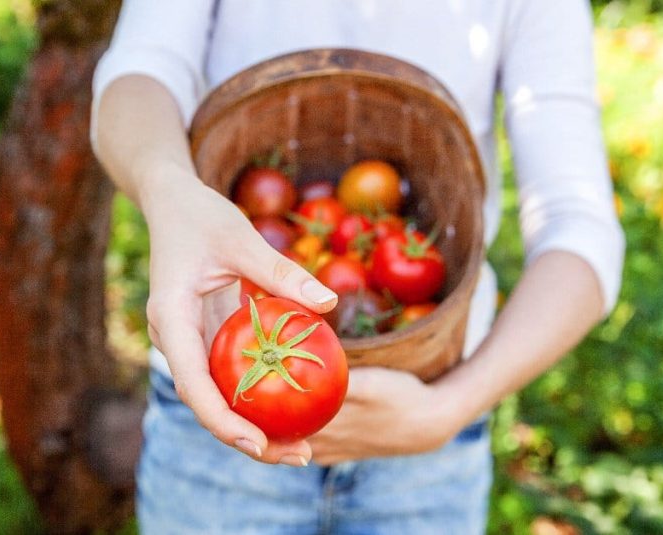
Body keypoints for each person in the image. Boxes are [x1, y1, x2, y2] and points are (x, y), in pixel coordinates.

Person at [91, 1, 624, 533]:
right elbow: (138, 73)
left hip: (431, 436)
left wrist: (450, 408)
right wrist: (170, 190)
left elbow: (580, 229)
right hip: (218, 411)